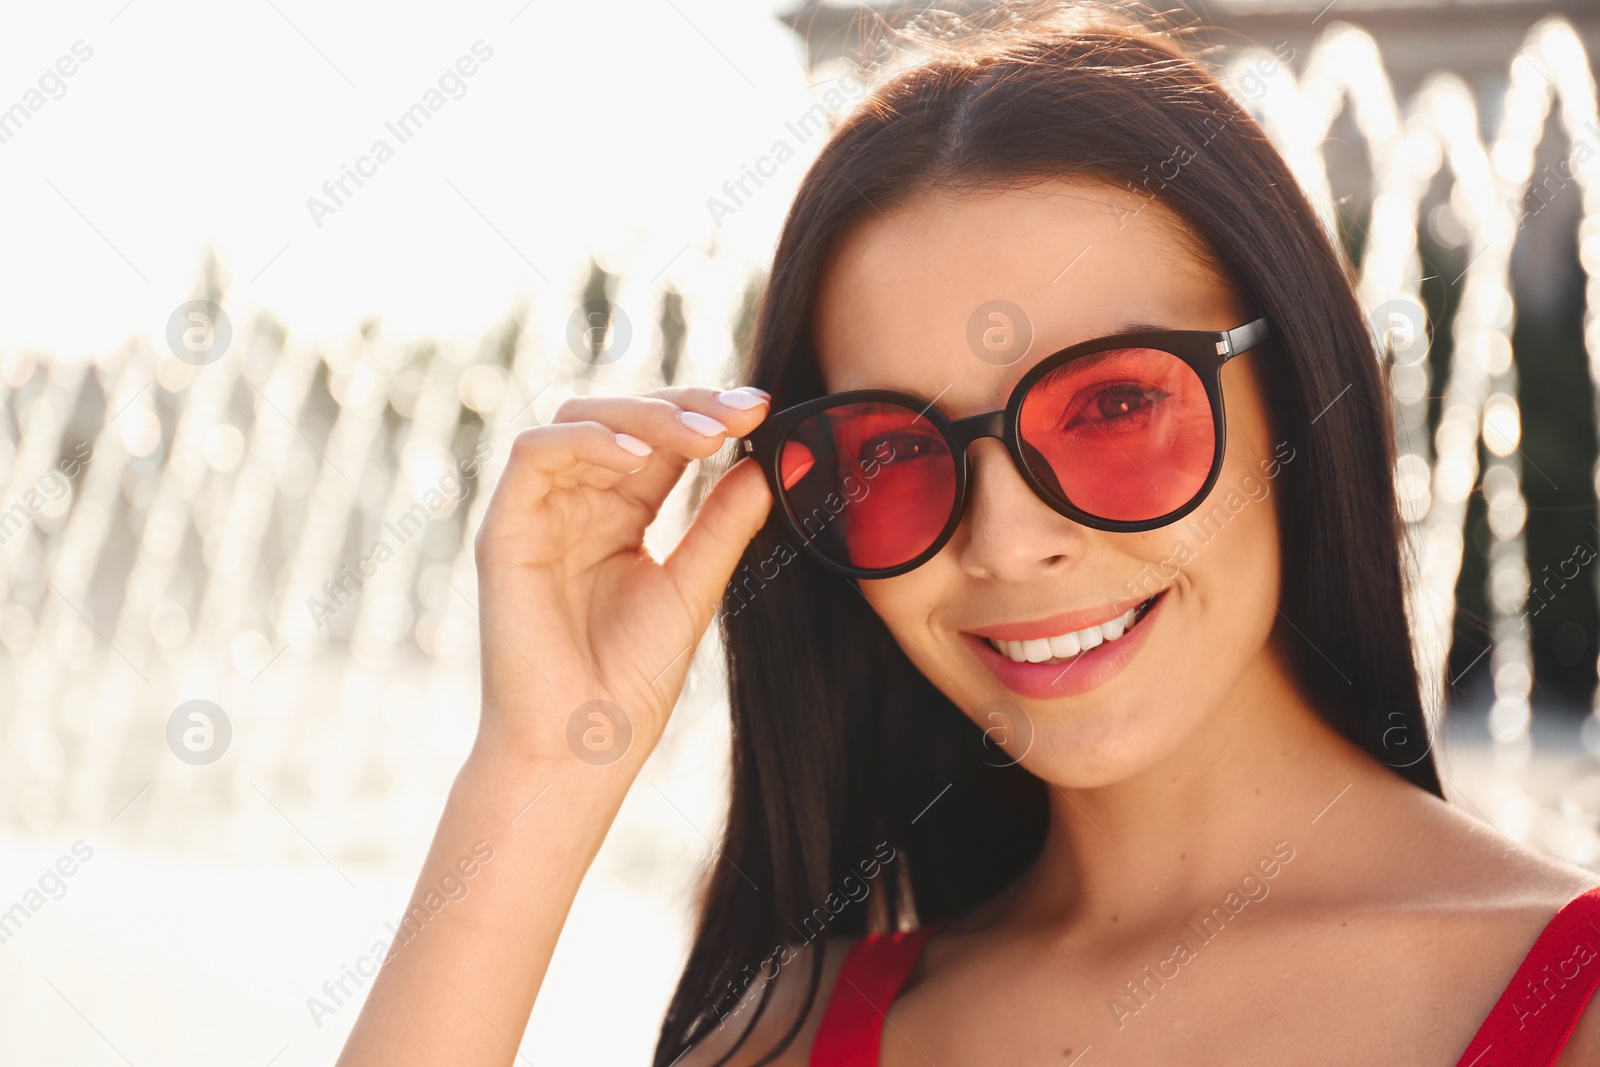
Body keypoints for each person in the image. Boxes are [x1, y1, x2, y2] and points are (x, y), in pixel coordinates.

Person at [336, 4, 1600, 1065]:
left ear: (1302, 393)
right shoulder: (792, 1027)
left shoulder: (1564, 996)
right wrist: (540, 777)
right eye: (889, 452)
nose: (1003, 541)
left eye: (1112, 403)